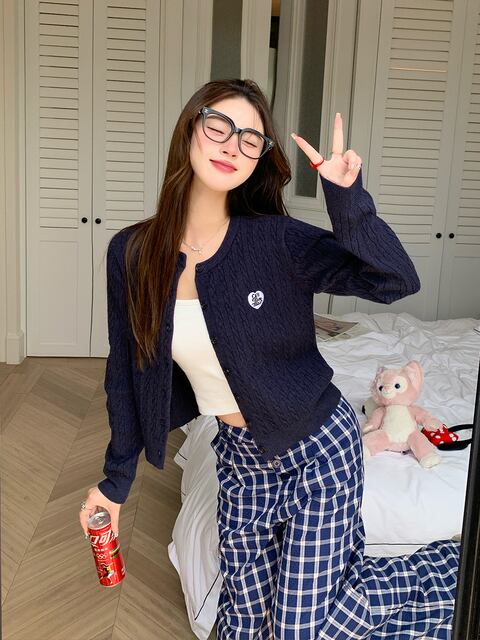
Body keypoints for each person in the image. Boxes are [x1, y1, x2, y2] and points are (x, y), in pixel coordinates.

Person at [79, 78, 460, 639]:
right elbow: (126, 373)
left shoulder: (275, 240)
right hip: (240, 461)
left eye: (251, 139)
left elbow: (395, 280)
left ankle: (444, 569)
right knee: (242, 625)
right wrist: (115, 481)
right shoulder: (132, 253)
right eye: (219, 126)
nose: (232, 145)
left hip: (319, 452)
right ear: (189, 130)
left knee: (296, 629)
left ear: (259, 159)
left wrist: (347, 200)